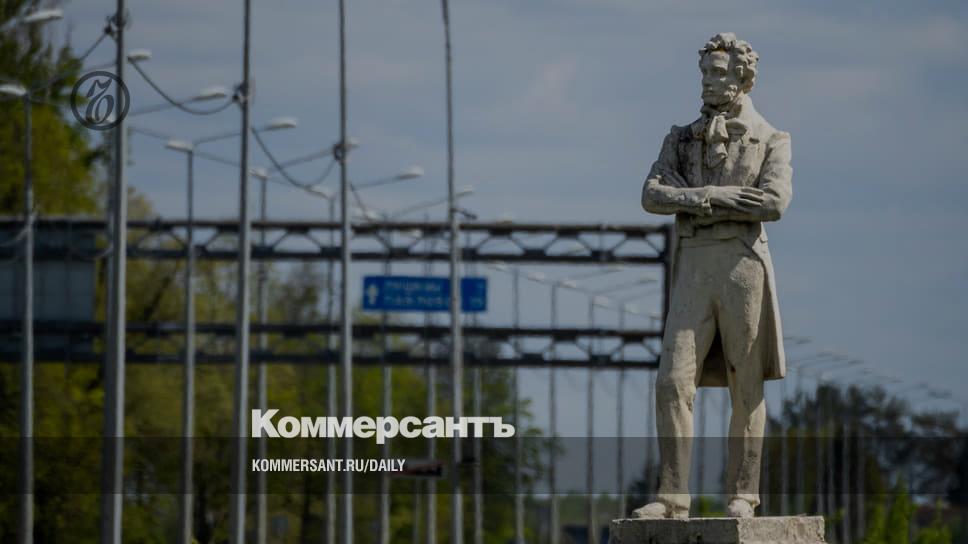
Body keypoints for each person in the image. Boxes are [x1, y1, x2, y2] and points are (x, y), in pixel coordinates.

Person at [633, 32, 793, 519]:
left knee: (747, 382)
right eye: (704, 72)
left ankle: (743, 492)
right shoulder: (680, 138)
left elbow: (773, 203)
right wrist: (711, 197)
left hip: (742, 266)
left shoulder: (772, 139)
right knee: (671, 381)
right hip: (693, 266)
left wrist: (690, 199)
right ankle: (672, 495)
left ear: (742, 78)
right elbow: (651, 194)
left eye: (718, 73)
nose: (708, 81)